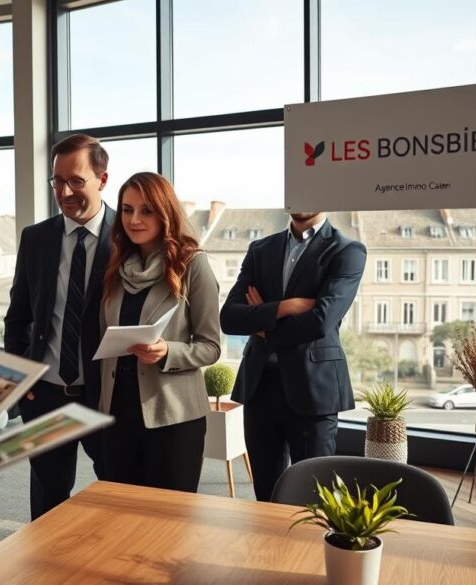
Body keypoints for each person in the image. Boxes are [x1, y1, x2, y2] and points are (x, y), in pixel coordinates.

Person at [4, 133, 115, 520]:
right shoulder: (36, 239)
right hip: (46, 396)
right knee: (48, 503)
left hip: (105, 397)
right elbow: (18, 317)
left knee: (115, 495)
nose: (65, 191)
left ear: (102, 180)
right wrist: (24, 382)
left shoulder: (128, 238)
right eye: (57, 181)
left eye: (76, 181)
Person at [220, 211, 366, 502]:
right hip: (260, 386)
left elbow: (321, 321)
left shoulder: (347, 251)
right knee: (266, 492)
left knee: (315, 494)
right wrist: (286, 307)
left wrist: (263, 323)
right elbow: (230, 318)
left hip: (313, 390)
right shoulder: (261, 250)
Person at [98, 172, 221, 493]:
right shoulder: (115, 266)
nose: (134, 219)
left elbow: (211, 346)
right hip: (117, 414)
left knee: (171, 524)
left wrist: (168, 351)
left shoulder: (192, 265)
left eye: (146, 210)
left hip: (173, 417)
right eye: (127, 209)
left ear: (165, 212)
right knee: (122, 519)